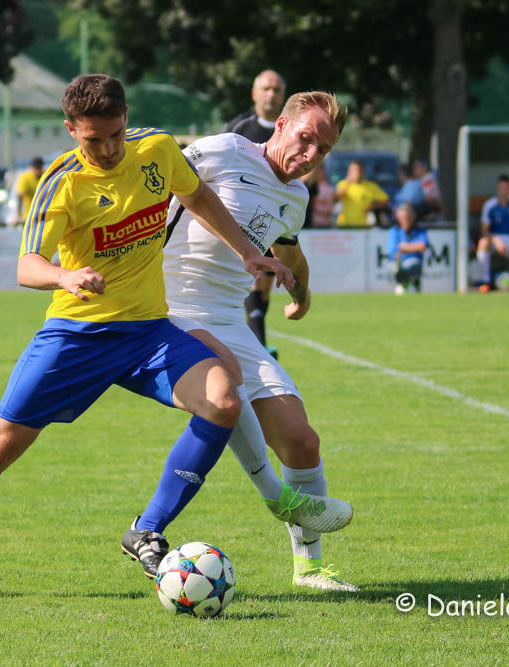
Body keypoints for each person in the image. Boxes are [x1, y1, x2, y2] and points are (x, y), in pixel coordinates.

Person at [0, 74, 304, 599]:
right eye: (92, 140)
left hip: (149, 332)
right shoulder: (60, 182)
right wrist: (64, 276)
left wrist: (247, 251)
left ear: (126, 119)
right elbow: (26, 265)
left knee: (223, 397)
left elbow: (197, 196)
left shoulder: (156, 149)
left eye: (114, 135)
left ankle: (146, 529)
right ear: (70, 130)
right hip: (76, 337)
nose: (106, 150)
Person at [153, 90, 356, 591]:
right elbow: (160, 184)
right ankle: (274, 495)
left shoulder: (296, 197)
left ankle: (309, 569)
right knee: (230, 382)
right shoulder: (224, 149)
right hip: (171, 307)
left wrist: (303, 292)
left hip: (229, 320)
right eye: (306, 138)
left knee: (302, 441)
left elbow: (290, 250)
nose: (310, 155)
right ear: (281, 124)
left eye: (323, 150)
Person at [223, 70, 288, 358]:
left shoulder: (291, 130)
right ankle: (255, 339)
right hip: (242, 216)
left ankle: (256, 333)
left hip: (280, 214)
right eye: (266, 89)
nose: (271, 94)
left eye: (276, 89)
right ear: (254, 93)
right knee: (252, 276)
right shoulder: (239, 127)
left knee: (268, 279)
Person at [476, 174, 509, 293]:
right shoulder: (490, 205)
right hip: (494, 237)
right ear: (498, 189)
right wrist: (496, 240)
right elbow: (484, 231)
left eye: (507, 188)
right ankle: (486, 282)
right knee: (483, 243)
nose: (505, 191)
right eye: (502, 188)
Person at [386, 202, 429, 294]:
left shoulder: (419, 231)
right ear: (398, 217)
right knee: (393, 266)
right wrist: (412, 247)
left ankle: (407, 284)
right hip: (397, 262)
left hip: (414, 262)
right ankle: (403, 284)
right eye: (404, 217)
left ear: (413, 216)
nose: (406, 219)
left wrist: (404, 247)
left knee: (411, 264)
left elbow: (423, 246)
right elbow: (393, 250)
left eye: (409, 216)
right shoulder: (394, 231)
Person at [335, 160, 389, 226]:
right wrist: (348, 182)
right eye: (354, 170)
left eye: (358, 170)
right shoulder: (343, 184)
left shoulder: (371, 186)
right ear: (349, 172)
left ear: (363, 171)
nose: (357, 172)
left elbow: (385, 200)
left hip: (363, 225)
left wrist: (372, 207)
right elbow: (336, 198)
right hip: (345, 224)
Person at [303, 162, 335, 227]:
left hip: (324, 224)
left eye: (319, 171)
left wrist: (315, 208)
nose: (317, 173)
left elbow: (329, 209)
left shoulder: (328, 188)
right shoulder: (308, 186)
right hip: (310, 224)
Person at [15, 157, 44, 225]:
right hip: (28, 215)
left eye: (39, 168)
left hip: (43, 215)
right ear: (31, 168)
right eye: (35, 168)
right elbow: (20, 196)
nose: (37, 171)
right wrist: (18, 216)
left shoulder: (45, 176)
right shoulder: (25, 177)